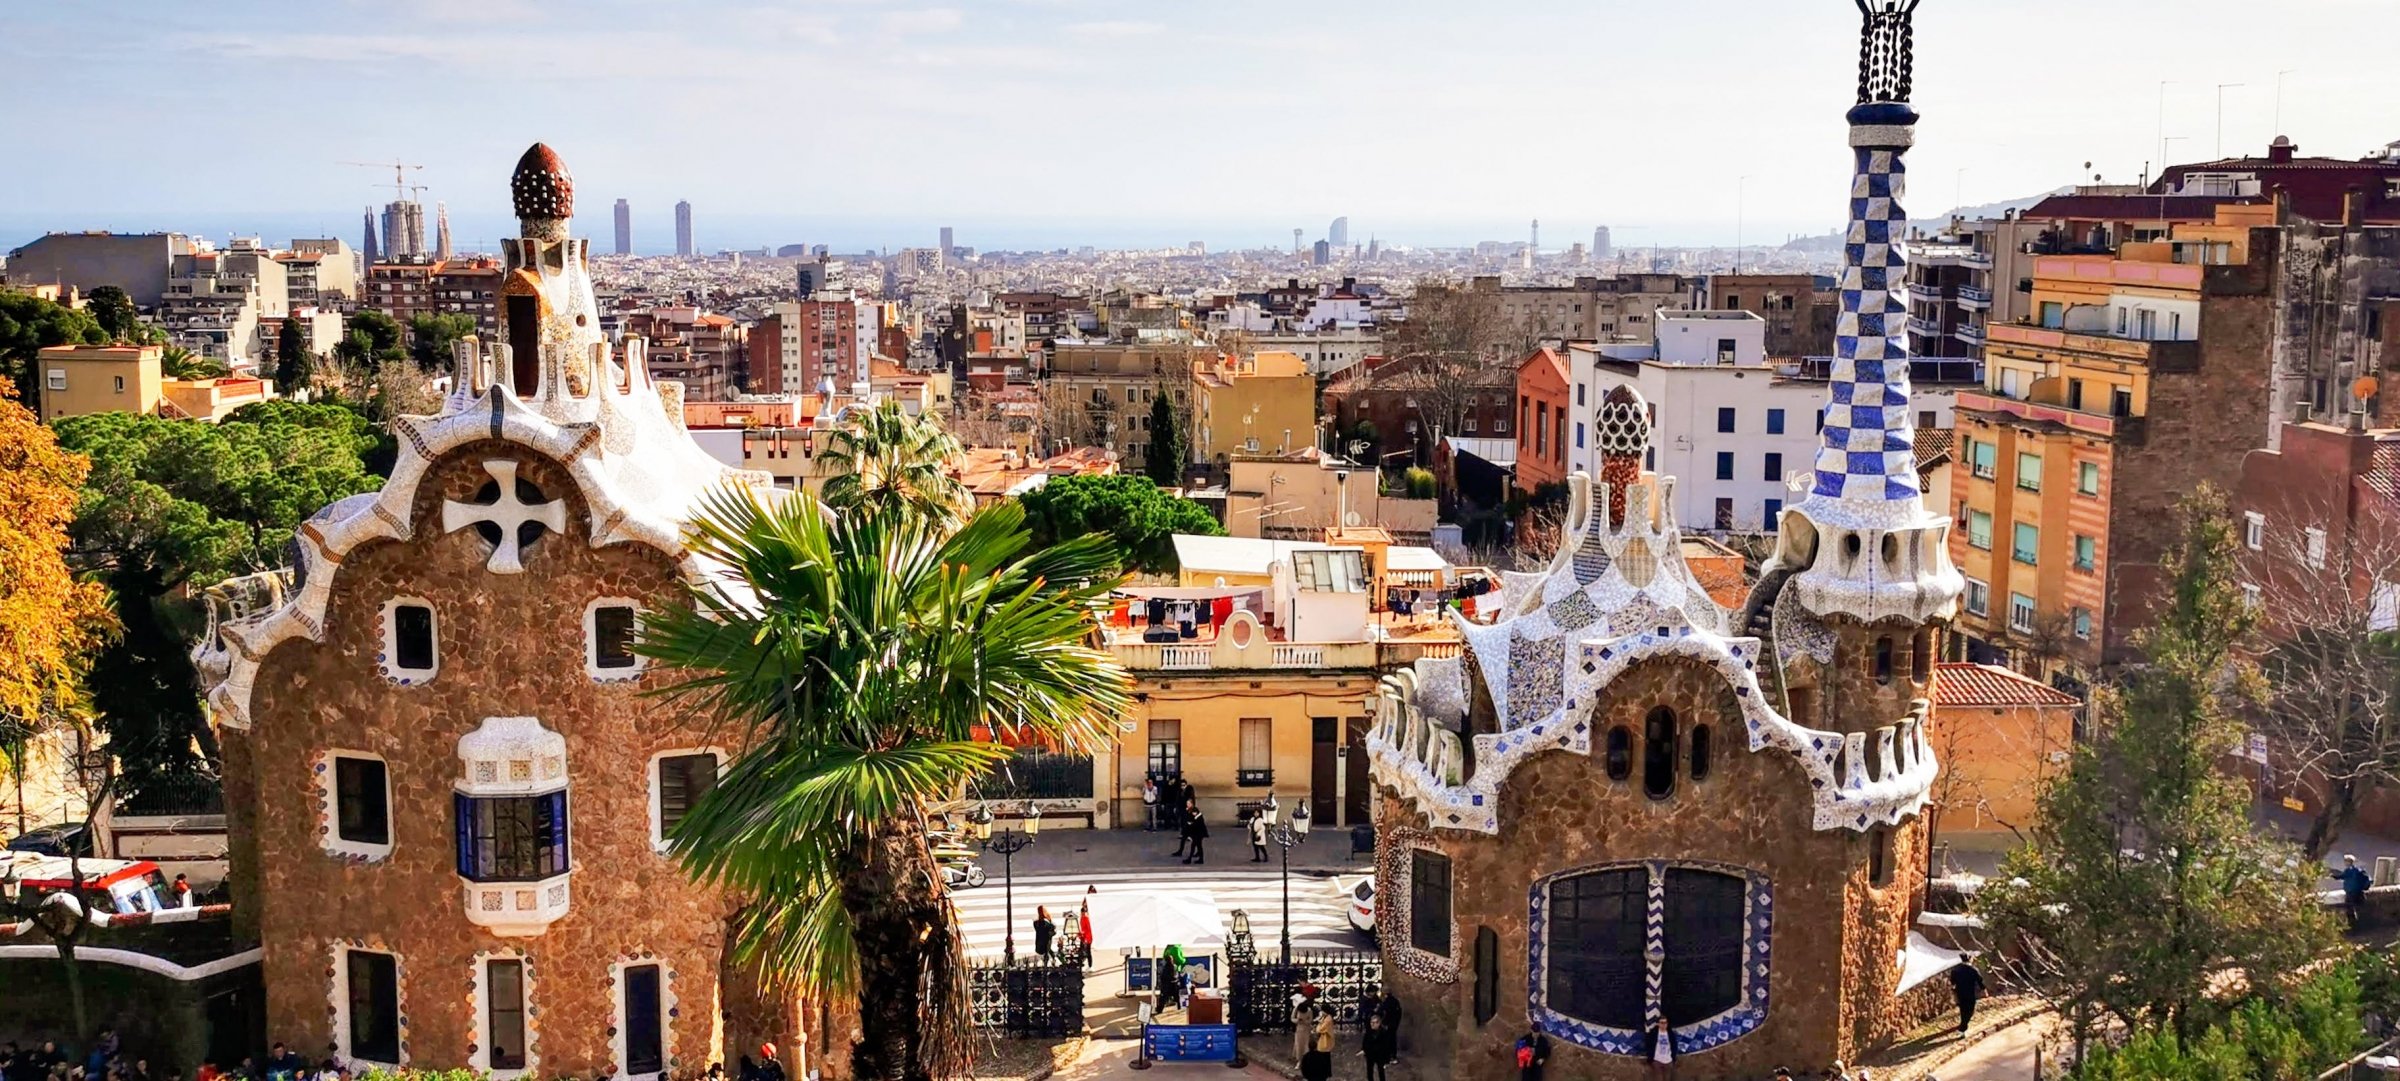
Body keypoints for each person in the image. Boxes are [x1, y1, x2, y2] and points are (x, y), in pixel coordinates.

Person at [1949, 955, 1987, 1037]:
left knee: (1963, 1010)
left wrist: (1954, 992)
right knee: (1970, 1010)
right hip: (1970, 993)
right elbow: (1980, 980)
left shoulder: (1955, 970)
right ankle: (1962, 1028)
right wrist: (1984, 990)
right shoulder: (1973, 970)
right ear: (1969, 959)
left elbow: (1952, 982)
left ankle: (1962, 1025)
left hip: (1960, 993)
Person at [2338, 855, 2374, 930]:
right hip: (2358, 893)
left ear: (2349, 862)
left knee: (2351, 911)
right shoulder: (2358, 870)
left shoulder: (2350, 871)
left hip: (2352, 893)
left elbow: (2341, 876)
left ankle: (2354, 928)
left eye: (2346, 861)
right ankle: (2361, 926)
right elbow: (2369, 880)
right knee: (2359, 910)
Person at [1300, 1006, 1336, 1081]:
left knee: (1325, 1057)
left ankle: (1326, 1072)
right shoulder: (1325, 1018)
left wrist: (1318, 1025)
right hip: (1323, 1040)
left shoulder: (1328, 1019)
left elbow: (1320, 1029)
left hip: (1325, 1041)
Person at [1361, 1012, 1396, 1081]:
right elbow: (1365, 1042)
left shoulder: (1384, 1033)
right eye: (1371, 1022)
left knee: (1381, 1071)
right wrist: (1364, 1050)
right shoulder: (1368, 1032)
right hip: (1370, 1055)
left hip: (1380, 1055)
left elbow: (1386, 1046)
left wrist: (1387, 1058)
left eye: (1374, 1023)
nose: (1372, 1024)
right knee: (1369, 1071)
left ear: (1379, 1023)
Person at [1078, 892, 1096, 971]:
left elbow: (1088, 929)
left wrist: (1085, 938)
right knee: (1082, 951)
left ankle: (1090, 965)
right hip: (1084, 937)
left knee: (1088, 952)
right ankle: (1084, 964)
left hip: (1087, 937)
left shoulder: (1085, 918)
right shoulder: (1083, 918)